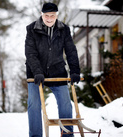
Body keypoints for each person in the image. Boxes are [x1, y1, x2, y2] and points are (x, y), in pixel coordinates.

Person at [25, 2, 80, 137]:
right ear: (41, 14)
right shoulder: (31, 29)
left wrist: (75, 70)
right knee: (34, 105)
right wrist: (38, 71)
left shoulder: (64, 29)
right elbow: (30, 53)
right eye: (46, 16)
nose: (49, 19)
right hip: (36, 73)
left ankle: (67, 135)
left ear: (57, 15)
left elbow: (71, 51)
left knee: (66, 104)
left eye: (52, 15)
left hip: (57, 71)